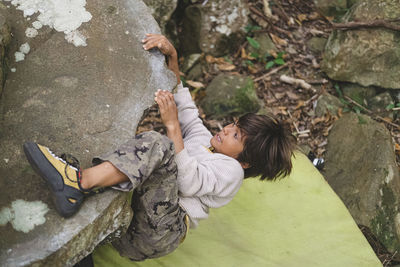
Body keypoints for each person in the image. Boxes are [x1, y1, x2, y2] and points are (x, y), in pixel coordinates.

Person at [23, 34, 297, 261]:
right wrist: (173, 58)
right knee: (109, 157)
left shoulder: (231, 173)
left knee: (159, 144)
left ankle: (77, 183)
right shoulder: (205, 142)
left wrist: (173, 129)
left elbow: (188, 182)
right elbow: (186, 107)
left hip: (158, 232)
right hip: (135, 219)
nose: (226, 129)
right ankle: (78, 226)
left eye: (235, 135)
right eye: (233, 125)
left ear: (245, 161)